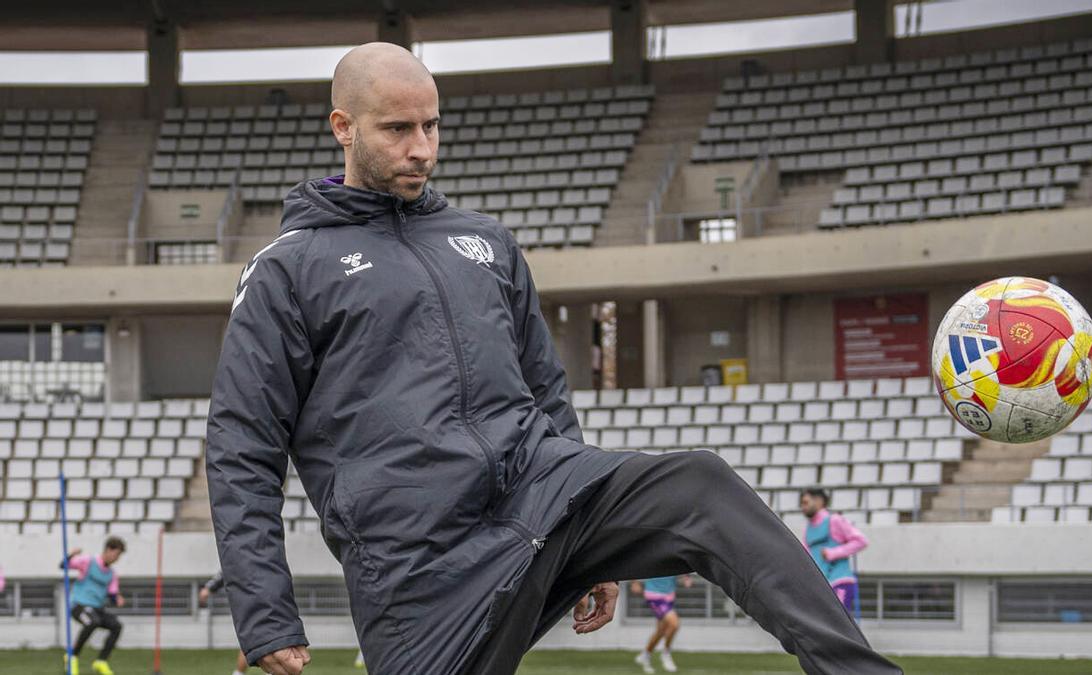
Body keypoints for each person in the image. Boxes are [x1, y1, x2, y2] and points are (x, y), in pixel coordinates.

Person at [206, 41, 901, 675]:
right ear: (343, 128)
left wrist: (589, 532)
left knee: (700, 485)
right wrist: (265, 609)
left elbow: (543, 385)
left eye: (432, 125)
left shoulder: (483, 241)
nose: (422, 147)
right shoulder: (288, 270)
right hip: (419, 566)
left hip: (544, 492)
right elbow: (243, 443)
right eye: (398, 129)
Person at [62, 537, 126, 675]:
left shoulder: (112, 574)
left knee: (117, 625)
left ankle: (101, 662)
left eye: (119, 556)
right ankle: (72, 657)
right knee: (92, 622)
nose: (116, 559)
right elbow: (63, 565)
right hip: (78, 605)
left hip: (97, 608)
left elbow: (112, 594)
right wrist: (71, 554)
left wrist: (117, 598)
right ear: (108, 550)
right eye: (116, 554)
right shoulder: (88, 561)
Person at [800, 488, 869, 617]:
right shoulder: (807, 529)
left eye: (805, 502)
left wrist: (834, 553)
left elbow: (861, 541)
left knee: (837, 623)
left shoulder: (835, 520)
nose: (802, 507)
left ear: (819, 501)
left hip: (840, 581)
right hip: (821, 586)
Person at [630, 575, 693, 673]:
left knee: (661, 631)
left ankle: (645, 655)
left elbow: (680, 566)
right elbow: (637, 562)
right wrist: (634, 582)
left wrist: (686, 577)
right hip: (654, 595)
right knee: (674, 623)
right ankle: (666, 654)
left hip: (669, 596)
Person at [199, 570, 251, 675]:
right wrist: (209, 587)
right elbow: (228, 569)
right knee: (251, 641)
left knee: (256, 641)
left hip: (266, 601)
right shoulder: (241, 558)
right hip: (251, 603)